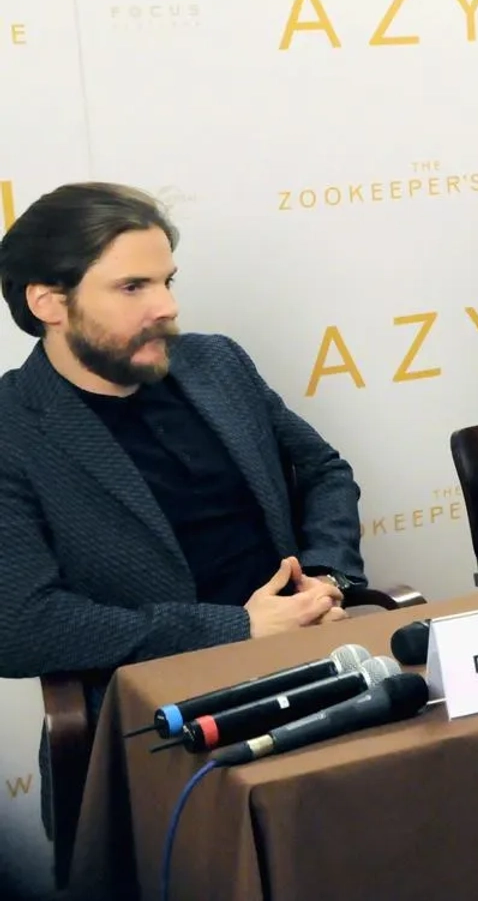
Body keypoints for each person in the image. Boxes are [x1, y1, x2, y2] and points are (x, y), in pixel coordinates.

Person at [0, 182, 362, 682]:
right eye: (133, 287)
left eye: (167, 281)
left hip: (316, 657)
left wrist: (324, 578)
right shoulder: (12, 429)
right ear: (49, 303)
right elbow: (20, 626)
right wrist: (237, 628)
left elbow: (324, 471)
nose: (166, 306)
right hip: (167, 706)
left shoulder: (216, 362)